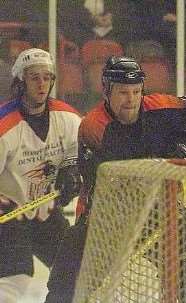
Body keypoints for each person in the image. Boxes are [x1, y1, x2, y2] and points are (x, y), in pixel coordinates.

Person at [45, 56, 186, 303]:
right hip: (105, 218)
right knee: (67, 287)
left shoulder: (160, 106)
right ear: (107, 91)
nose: (131, 100)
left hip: (163, 211)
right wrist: (177, 155)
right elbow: (118, 180)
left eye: (136, 91)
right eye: (123, 92)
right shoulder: (95, 126)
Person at [0, 48, 82, 303]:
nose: (42, 84)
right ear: (20, 82)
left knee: (77, 272)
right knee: (17, 277)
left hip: (45, 213)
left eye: (47, 77)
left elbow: (79, 155)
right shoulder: (5, 125)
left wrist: (73, 173)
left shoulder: (67, 117)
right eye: (34, 77)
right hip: (7, 216)